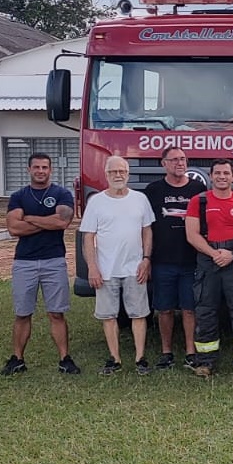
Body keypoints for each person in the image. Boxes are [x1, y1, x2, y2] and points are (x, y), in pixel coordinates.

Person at [2, 153, 80, 376]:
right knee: (23, 313)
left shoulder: (61, 194)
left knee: (57, 313)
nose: (40, 171)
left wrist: (29, 217)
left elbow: (63, 222)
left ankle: (65, 358)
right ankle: (17, 358)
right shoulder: (18, 196)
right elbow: (14, 229)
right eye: (36, 167)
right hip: (24, 262)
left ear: (51, 169)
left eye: (44, 167)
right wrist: (48, 222)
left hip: (53, 260)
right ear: (29, 170)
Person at [185, 158, 233, 377]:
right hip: (208, 261)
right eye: (217, 173)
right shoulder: (197, 202)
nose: (221, 177)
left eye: (226, 173)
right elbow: (192, 234)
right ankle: (205, 361)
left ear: (232, 176)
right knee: (206, 310)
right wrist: (213, 253)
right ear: (211, 176)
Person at [81, 156, 156, 375]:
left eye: (122, 171)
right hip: (105, 270)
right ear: (106, 174)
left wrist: (146, 259)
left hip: (135, 268)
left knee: (139, 314)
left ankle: (140, 358)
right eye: (113, 172)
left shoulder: (140, 199)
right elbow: (88, 237)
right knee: (108, 315)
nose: (118, 175)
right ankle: (114, 358)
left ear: (128, 174)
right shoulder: (96, 202)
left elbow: (147, 231)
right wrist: (92, 267)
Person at [143, 146, 206, 369]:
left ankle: (190, 352)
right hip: (162, 260)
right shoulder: (153, 190)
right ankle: (166, 352)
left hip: (191, 259)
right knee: (165, 308)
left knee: (190, 308)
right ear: (164, 164)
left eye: (183, 159)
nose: (180, 163)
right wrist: (147, 258)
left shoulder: (198, 188)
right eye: (175, 159)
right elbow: (146, 227)